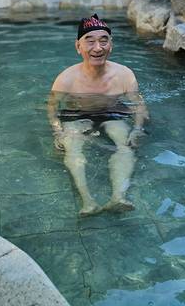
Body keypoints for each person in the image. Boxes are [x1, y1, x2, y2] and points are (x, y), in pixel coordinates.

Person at [48, 14, 148, 216]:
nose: (98, 48)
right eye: (90, 41)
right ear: (78, 47)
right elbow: (52, 107)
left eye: (104, 41)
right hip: (76, 115)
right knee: (72, 147)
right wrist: (57, 131)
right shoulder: (66, 79)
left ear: (111, 45)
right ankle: (88, 201)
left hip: (112, 112)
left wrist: (138, 129)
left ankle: (118, 198)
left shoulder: (125, 75)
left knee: (125, 145)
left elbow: (139, 104)